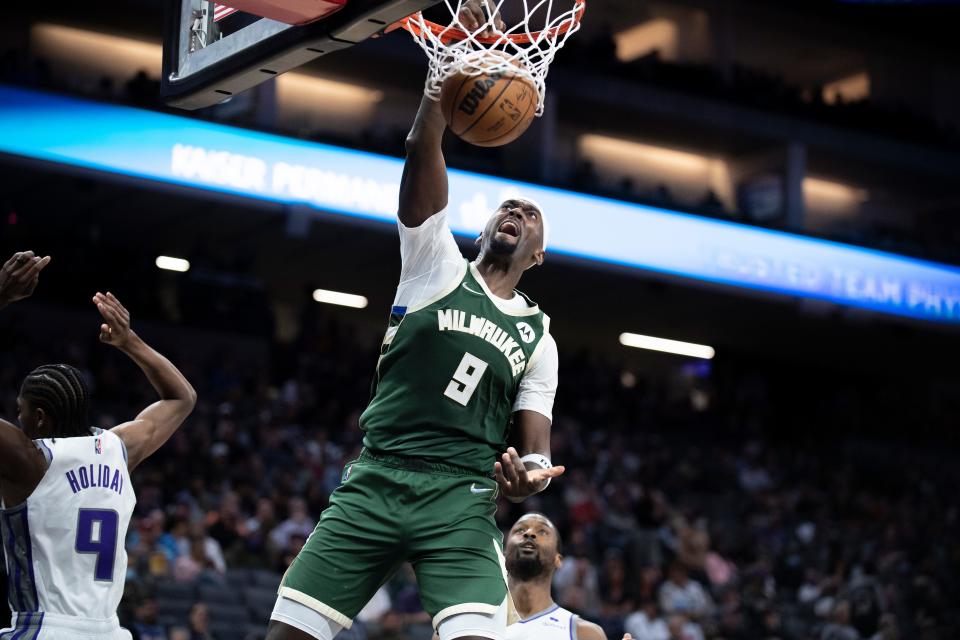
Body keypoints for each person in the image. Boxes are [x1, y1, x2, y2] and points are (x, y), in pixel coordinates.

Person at [266, 3, 562, 638]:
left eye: (530, 213)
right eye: (506, 206)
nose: (515, 210)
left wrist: (526, 481)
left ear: (537, 254)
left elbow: (537, 454)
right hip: (378, 474)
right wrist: (443, 80)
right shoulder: (434, 262)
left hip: (462, 498)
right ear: (483, 228)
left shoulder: (538, 335)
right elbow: (421, 147)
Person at [0, 250, 197, 639]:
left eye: (20, 411)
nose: (17, 419)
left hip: (46, 631)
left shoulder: (28, 459)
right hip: (109, 632)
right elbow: (182, 398)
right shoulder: (119, 450)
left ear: (39, 417)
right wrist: (130, 341)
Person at [503, 513, 607, 640]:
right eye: (520, 530)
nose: (529, 533)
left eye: (542, 531)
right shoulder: (476, 617)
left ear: (557, 559)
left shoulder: (584, 634)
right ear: (504, 554)